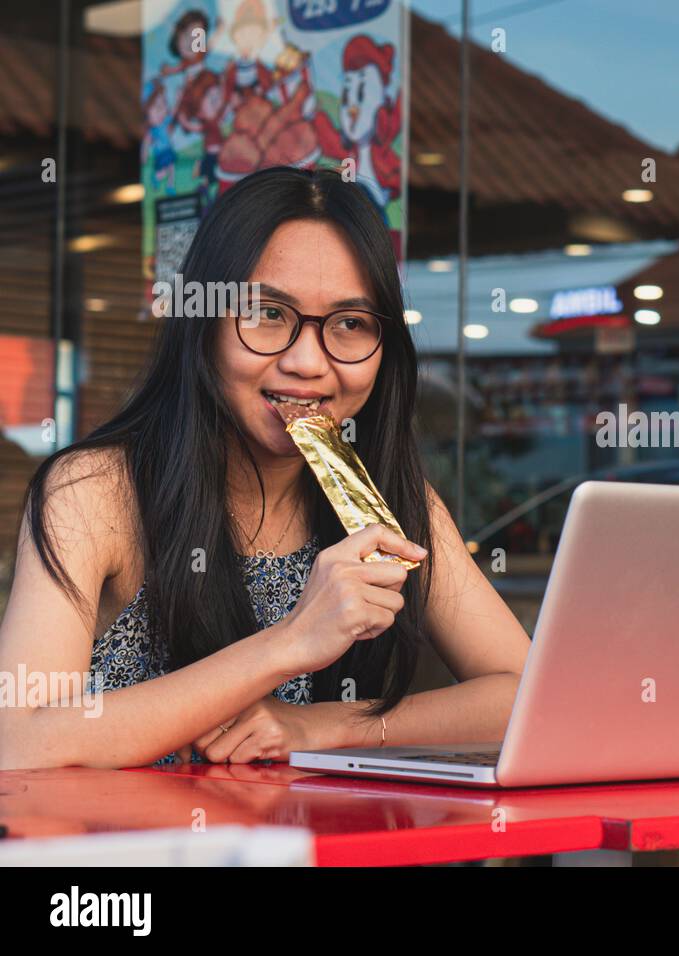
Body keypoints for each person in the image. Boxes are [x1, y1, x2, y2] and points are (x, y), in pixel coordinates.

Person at [0, 167, 530, 770]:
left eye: (350, 324)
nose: (307, 362)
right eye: (268, 314)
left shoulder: (391, 502)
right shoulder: (95, 492)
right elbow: (16, 741)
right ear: (204, 326)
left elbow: (525, 697)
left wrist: (319, 726)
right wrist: (289, 644)